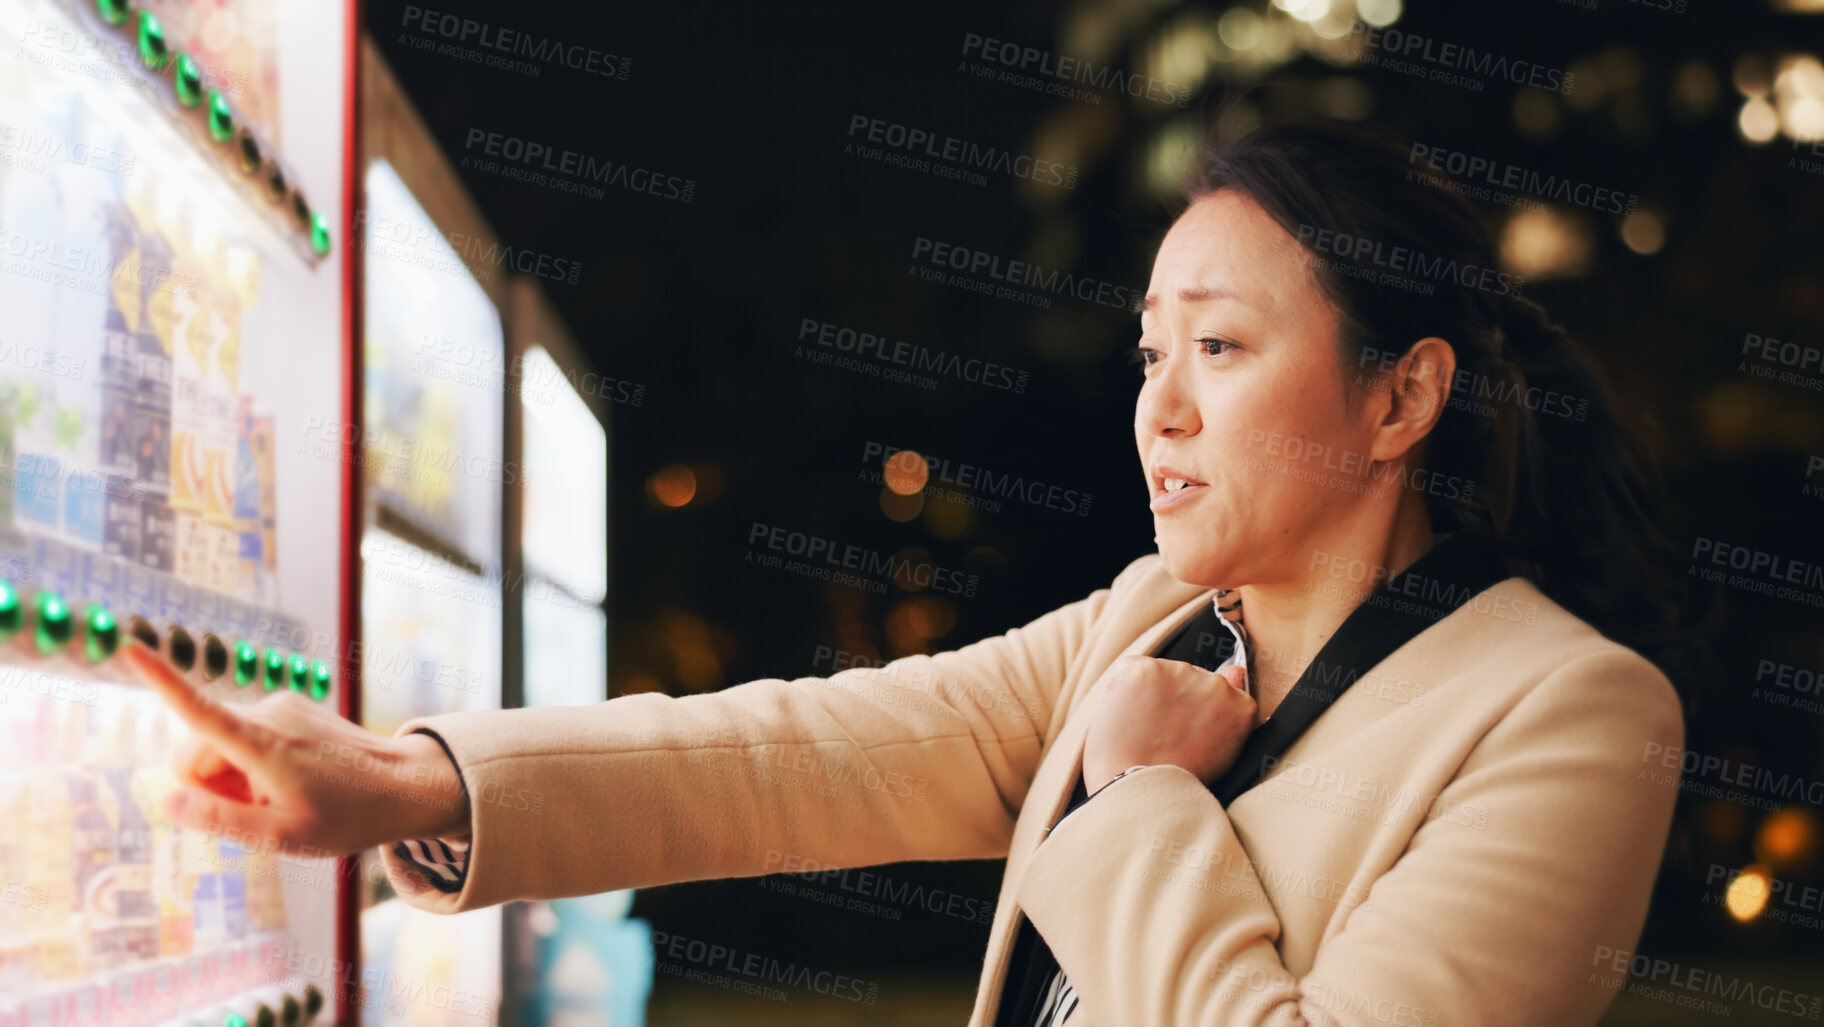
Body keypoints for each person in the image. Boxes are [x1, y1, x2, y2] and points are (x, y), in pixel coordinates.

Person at [126, 120, 1690, 1027]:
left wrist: (1141, 798)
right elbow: (803, 751)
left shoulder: (1564, 711)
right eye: (1152, 353)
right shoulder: (1151, 626)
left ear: (1400, 398)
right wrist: (422, 783)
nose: (1159, 405)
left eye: (1220, 347)